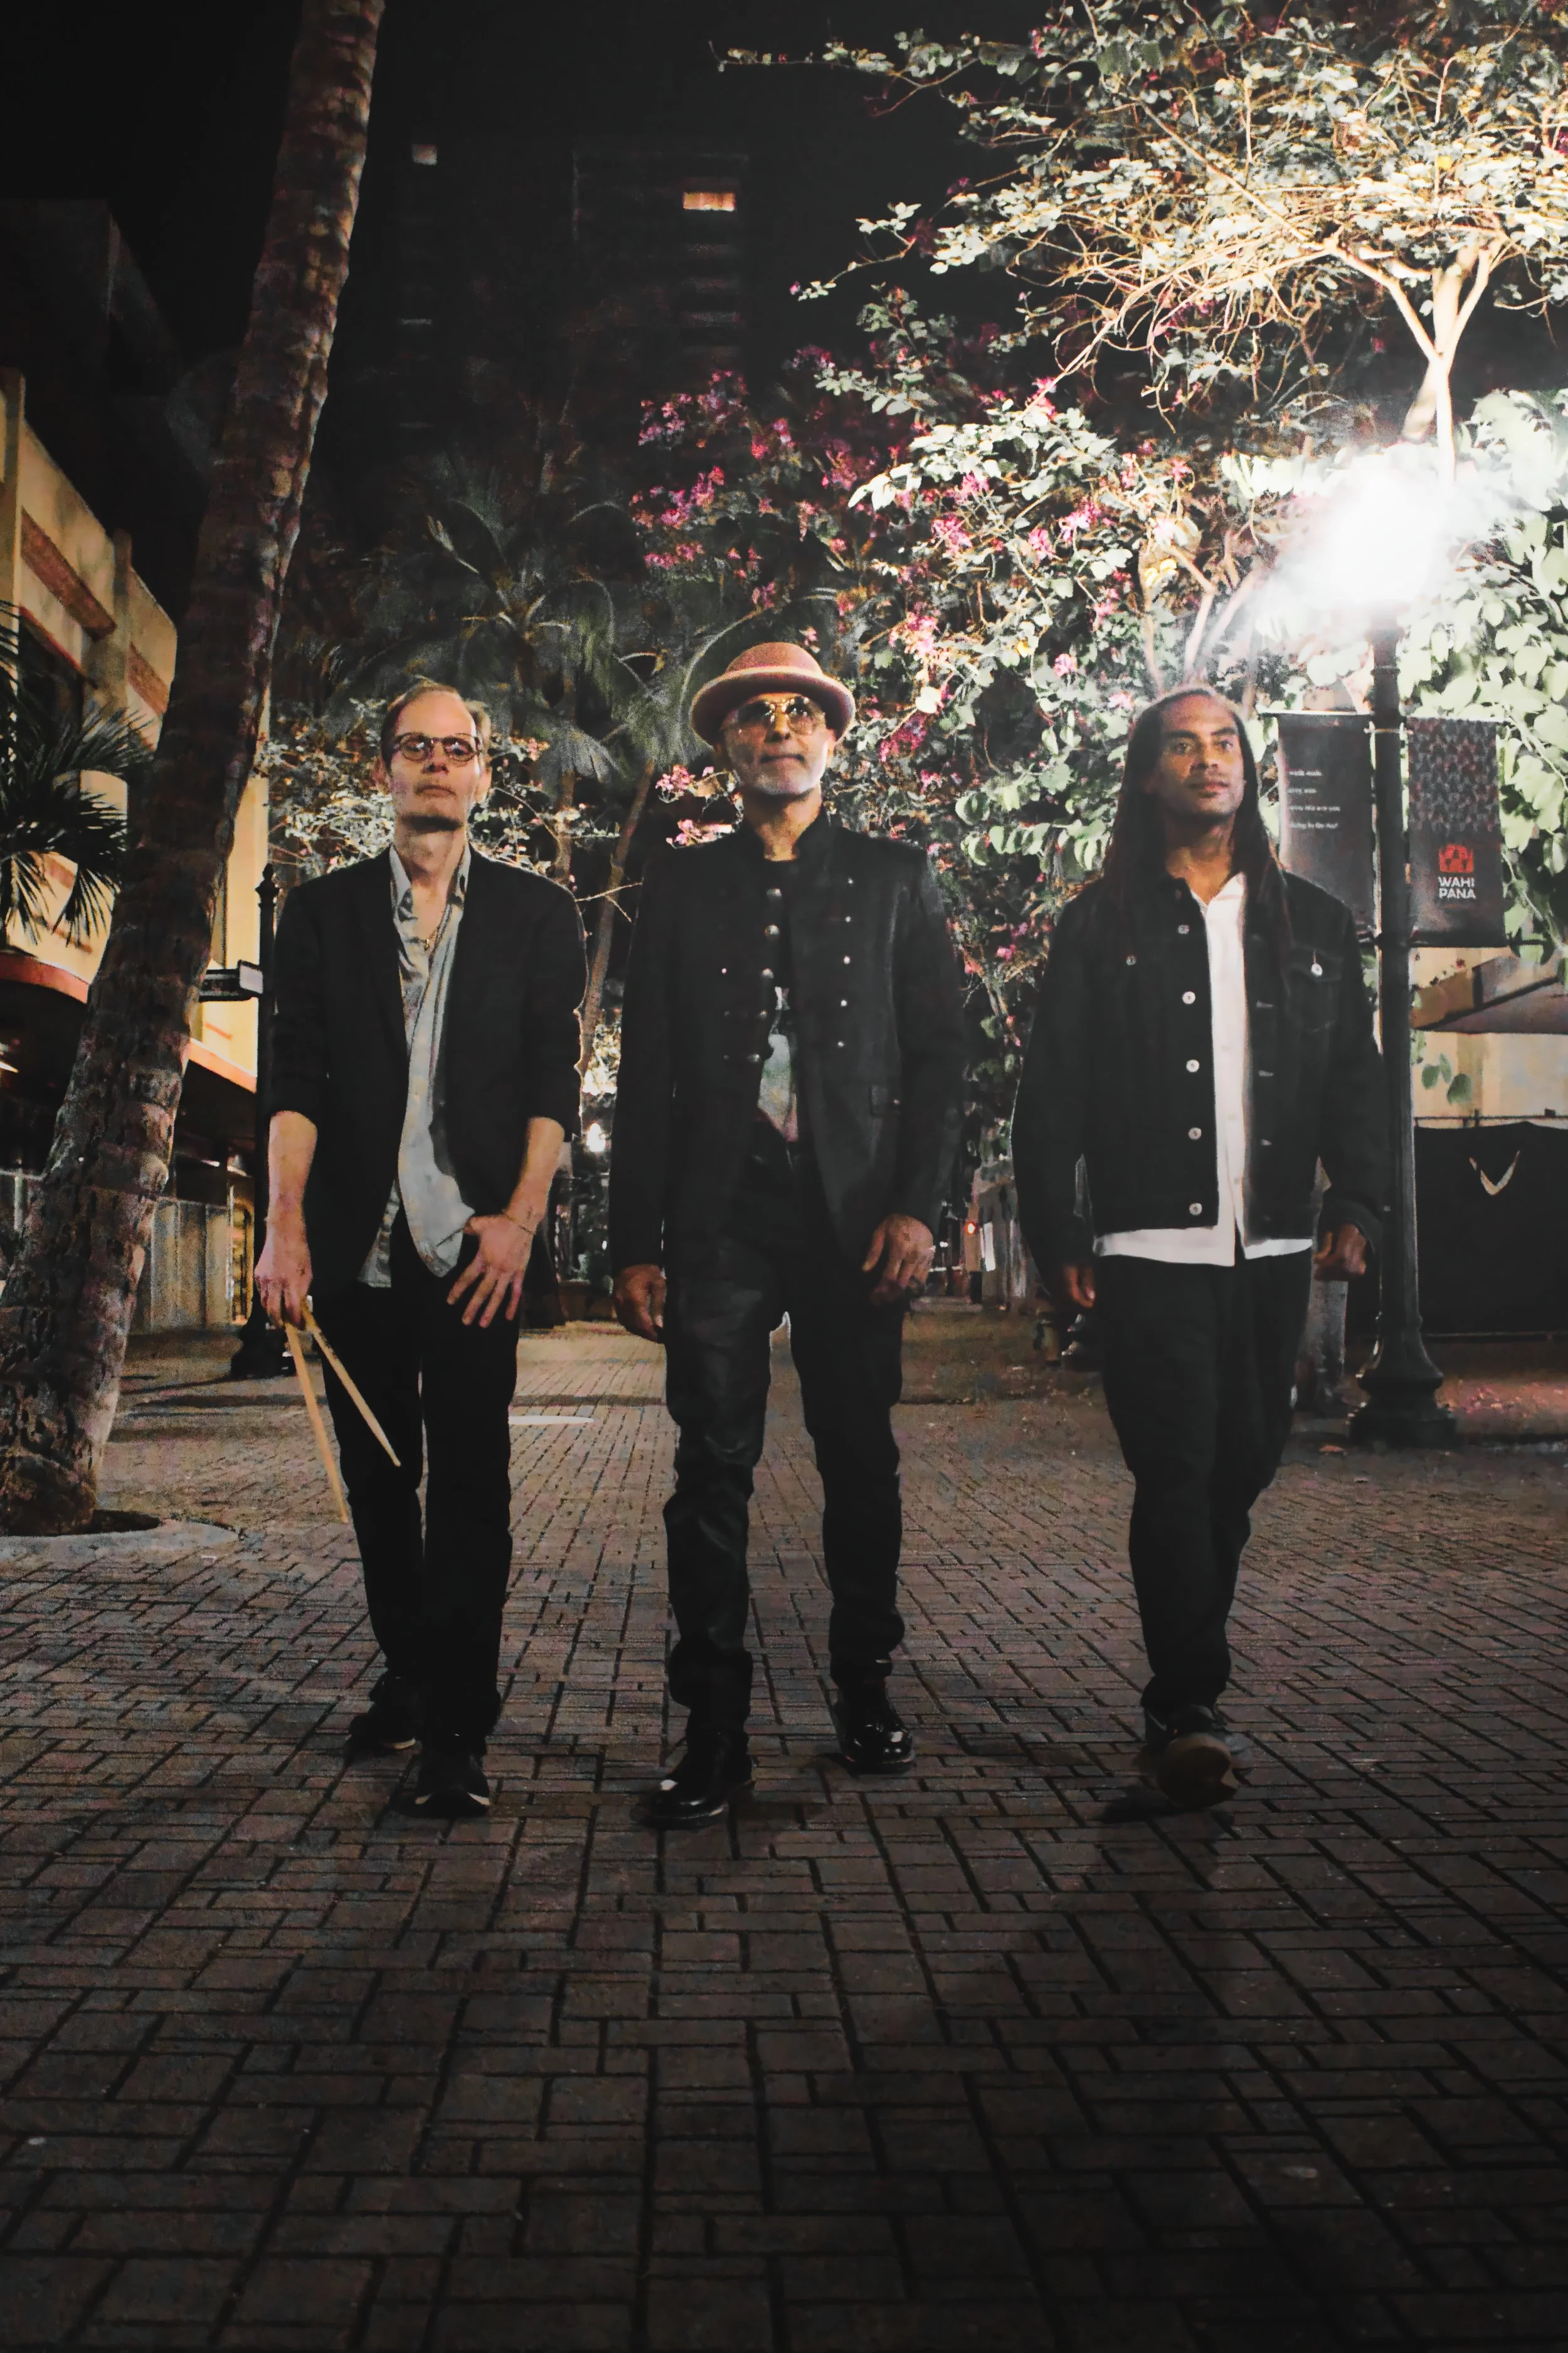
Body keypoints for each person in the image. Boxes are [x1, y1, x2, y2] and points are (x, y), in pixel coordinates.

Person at [611, 641, 967, 1828]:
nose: (780, 731)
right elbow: (649, 1067)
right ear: (725, 748)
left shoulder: (894, 877)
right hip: (721, 1216)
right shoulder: (683, 885)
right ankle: (714, 1729)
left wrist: (922, 1206)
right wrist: (633, 1241)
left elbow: (940, 1058)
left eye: (801, 714)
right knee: (710, 1465)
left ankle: (864, 1684)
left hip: (857, 1217)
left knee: (860, 1458)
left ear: (833, 738)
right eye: (756, 718)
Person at [1012, 688, 1388, 1807]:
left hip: (1272, 1239)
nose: (1208, 760)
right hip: (1145, 1245)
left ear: (1247, 770)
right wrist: (1058, 1231)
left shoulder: (1313, 923)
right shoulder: (1101, 924)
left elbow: (1356, 1081)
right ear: (1148, 776)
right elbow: (1053, 1095)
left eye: (1225, 743)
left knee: (1245, 1460)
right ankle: (1187, 1698)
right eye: (1183, 745)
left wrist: (1360, 1201)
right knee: (1175, 1466)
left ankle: (1184, 1675)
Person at [257, 681, 586, 1818]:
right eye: (416, 747)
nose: (438, 765)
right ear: (384, 770)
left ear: (485, 773)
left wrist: (523, 1217)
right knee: (381, 1487)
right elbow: (292, 1074)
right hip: (357, 1249)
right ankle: (410, 1666)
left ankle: (456, 1728)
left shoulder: (540, 916)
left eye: (459, 749)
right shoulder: (322, 913)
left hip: (474, 1254)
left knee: (474, 1494)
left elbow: (555, 1075)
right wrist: (284, 1224)